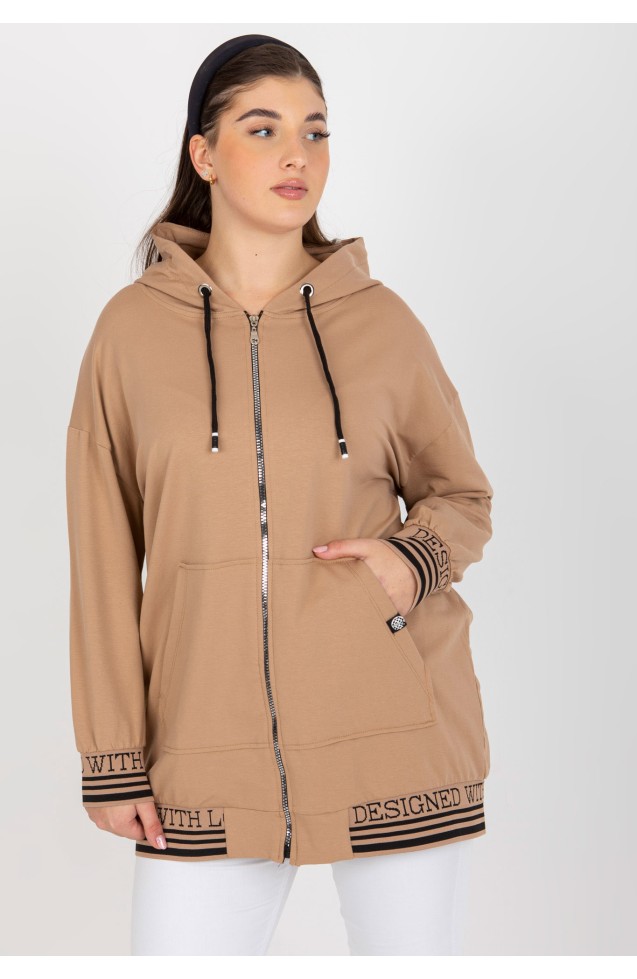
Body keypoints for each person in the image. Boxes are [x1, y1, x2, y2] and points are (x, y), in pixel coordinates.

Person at [65, 34, 495, 956]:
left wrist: (408, 562)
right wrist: (113, 756)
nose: (298, 154)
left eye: (316, 131)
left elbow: (461, 494)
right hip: (202, 746)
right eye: (263, 129)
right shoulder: (130, 334)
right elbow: (101, 557)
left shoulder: (381, 322)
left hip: (395, 733)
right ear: (205, 154)